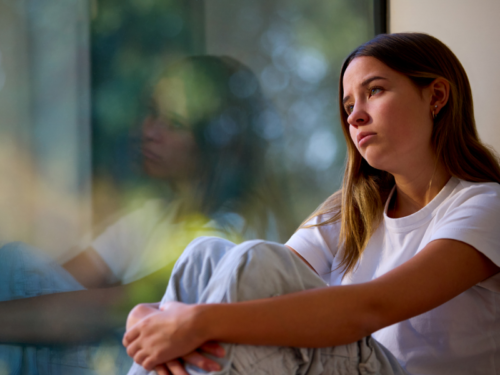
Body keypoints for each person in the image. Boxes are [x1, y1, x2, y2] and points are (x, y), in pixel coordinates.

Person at [123, 33, 500, 375]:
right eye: (349, 104)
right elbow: (265, 286)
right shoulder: (352, 211)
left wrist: (197, 322)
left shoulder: (486, 206)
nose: (355, 116)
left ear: (436, 96)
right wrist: (150, 317)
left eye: (375, 91)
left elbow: (371, 308)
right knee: (206, 254)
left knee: (251, 262)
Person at [0, 56, 293, 374]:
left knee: (15, 266)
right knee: (17, 268)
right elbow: (54, 284)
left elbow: (114, 312)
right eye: (152, 113)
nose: (149, 130)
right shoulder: (151, 216)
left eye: (175, 123)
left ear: (215, 141)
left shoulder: (228, 235)